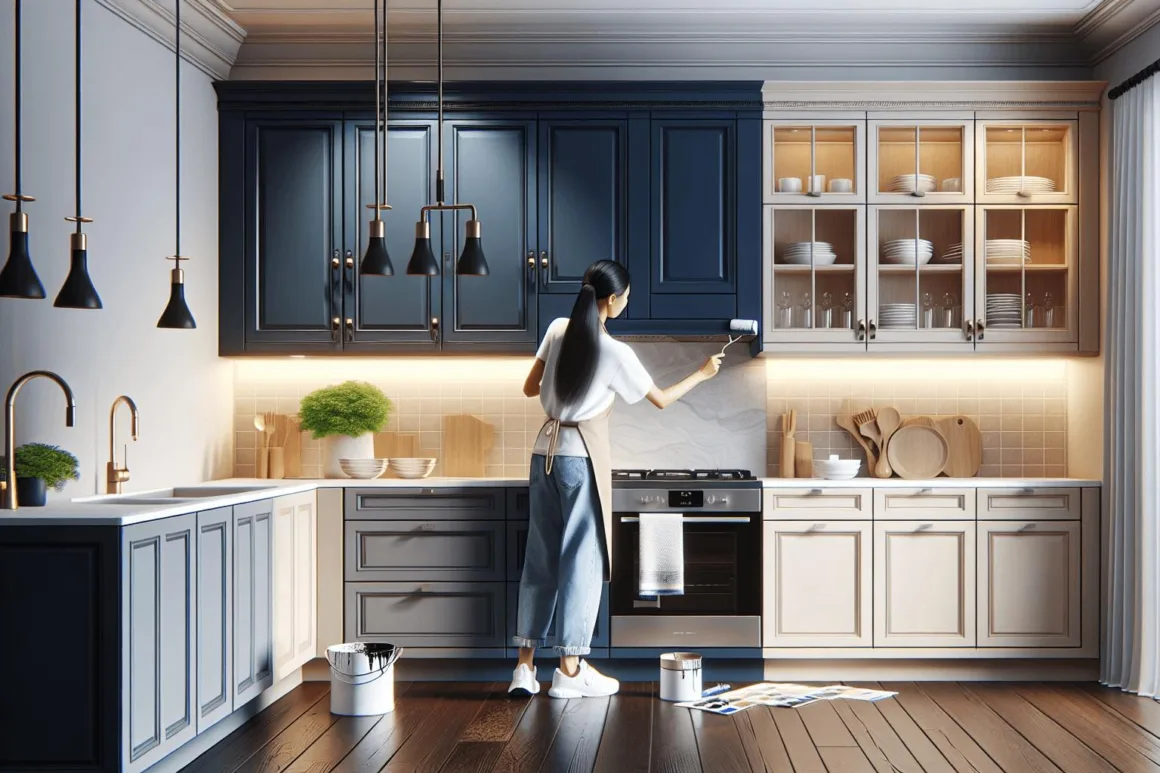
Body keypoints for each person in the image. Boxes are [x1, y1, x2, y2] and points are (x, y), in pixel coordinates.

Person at [509, 259, 723, 699]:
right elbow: (661, 400)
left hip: (543, 453)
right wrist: (703, 373)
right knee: (581, 562)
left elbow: (530, 389)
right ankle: (569, 670)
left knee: (540, 558)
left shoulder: (557, 329)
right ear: (612, 300)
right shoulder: (616, 352)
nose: (627, 303)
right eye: (626, 297)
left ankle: (524, 669)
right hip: (579, 458)